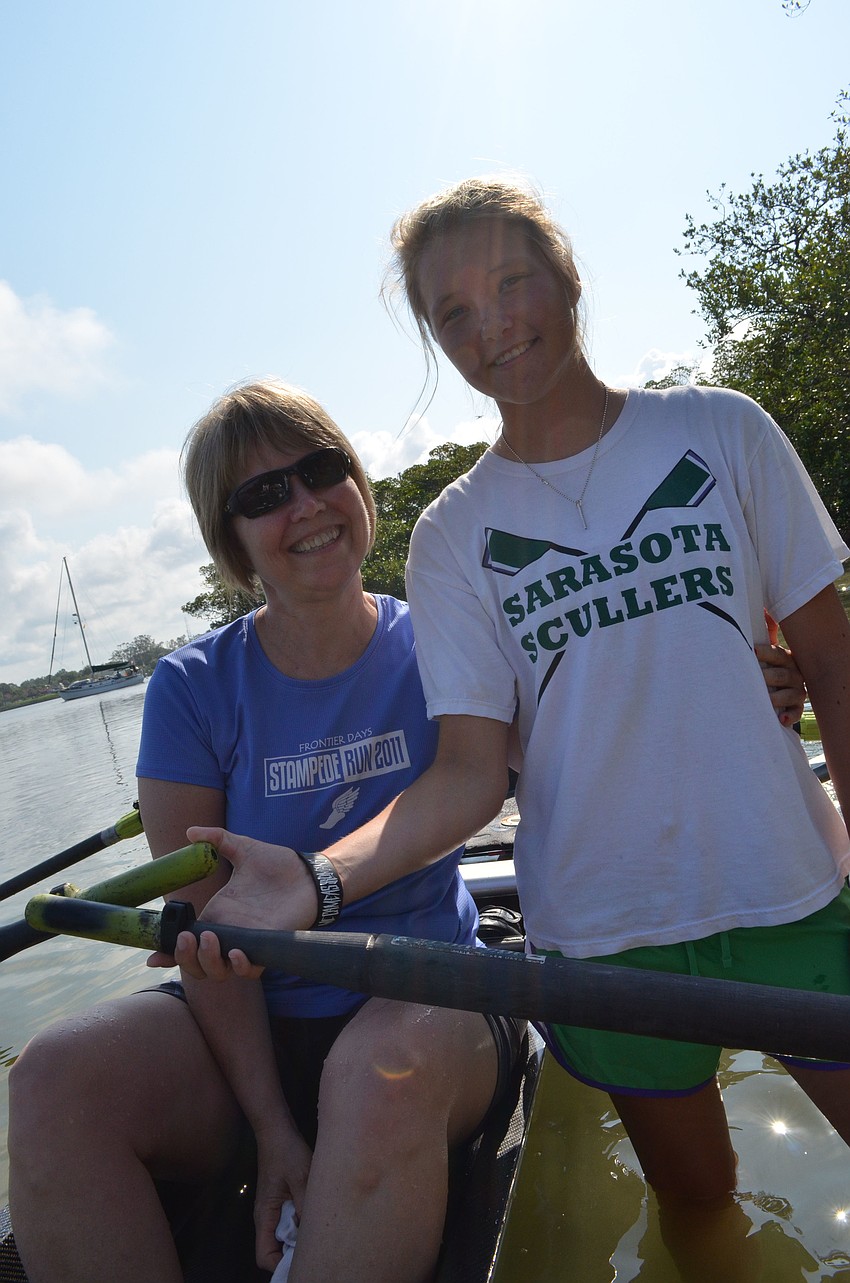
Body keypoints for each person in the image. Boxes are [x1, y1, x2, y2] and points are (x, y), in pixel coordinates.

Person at [170, 179, 850, 1277]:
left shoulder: (723, 430)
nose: (491, 324)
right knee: (698, 1196)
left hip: (789, 886)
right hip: (605, 937)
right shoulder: (452, 536)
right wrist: (315, 878)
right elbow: (467, 775)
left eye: (511, 282)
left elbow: (830, 664)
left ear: (567, 276)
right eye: (452, 313)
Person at [7, 379, 524, 1283]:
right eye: (263, 495)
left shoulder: (447, 635)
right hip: (251, 1028)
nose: (307, 505)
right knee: (50, 1078)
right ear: (232, 543)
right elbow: (205, 934)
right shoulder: (191, 687)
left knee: (375, 1074)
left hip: (429, 996)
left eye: (321, 470)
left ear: (358, 485)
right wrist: (273, 1128)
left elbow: (572, 729)